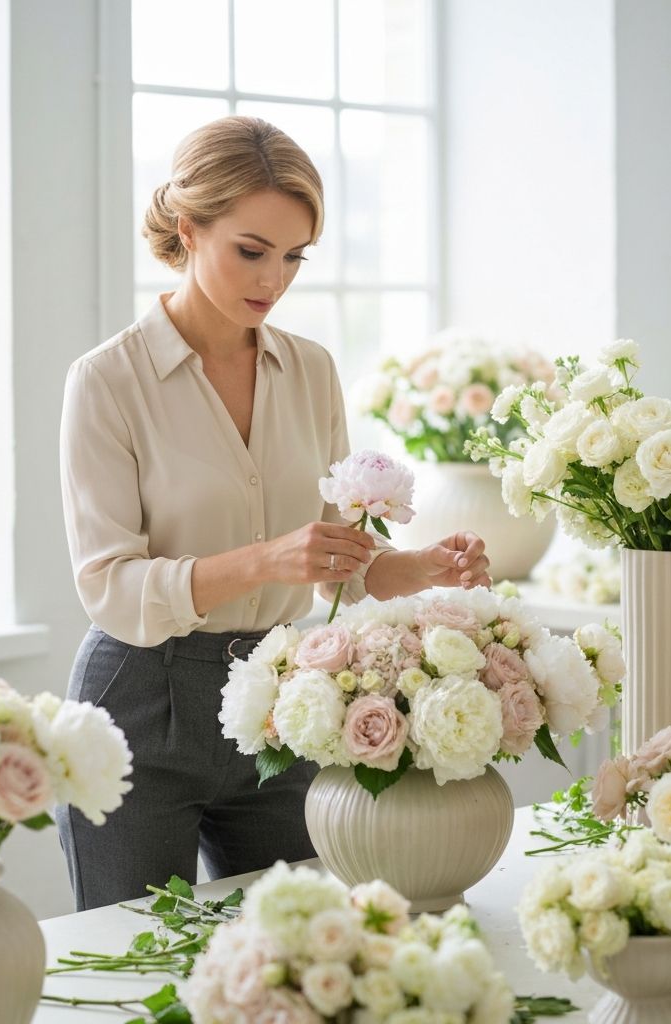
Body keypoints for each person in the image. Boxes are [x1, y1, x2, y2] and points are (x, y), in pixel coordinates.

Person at [57, 115, 492, 910]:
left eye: (294, 256)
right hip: (139, 707)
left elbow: (337, 565)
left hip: (284, 699)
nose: (274, 279)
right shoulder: (107, 381)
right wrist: (266, 560)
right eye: (252, 251)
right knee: (133, 956)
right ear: (188, 230)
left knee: (300, 941)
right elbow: (109, 587)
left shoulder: (312, 371)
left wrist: (418, 568)